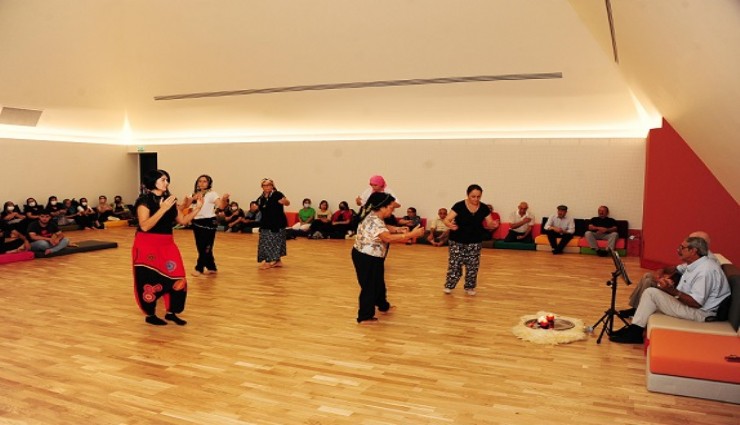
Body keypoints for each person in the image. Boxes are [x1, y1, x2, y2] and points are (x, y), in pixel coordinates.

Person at [610, 236, 730, 344]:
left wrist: (671, 291)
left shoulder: (705, 271)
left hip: (701, 313)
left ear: (693, 251)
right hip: (693, 306)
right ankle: (634, 329)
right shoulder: (696, 264)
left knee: (651, 293)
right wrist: (668, 282)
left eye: (682, 248)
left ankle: (635, 332)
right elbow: (675, 271)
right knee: (652, 292)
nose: (678, 250)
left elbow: (696, 303)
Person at [133, 169, 202, 326]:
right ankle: (150, 314)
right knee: (149, 279)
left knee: (178, 277)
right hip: (147, 244)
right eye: (163, 180)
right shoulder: (144, 201)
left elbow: (183, 220)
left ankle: (171, 312)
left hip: (167, 243)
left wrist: (197, 208)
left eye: (167, 179)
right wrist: (162, 209)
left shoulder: (169, 200)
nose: (167, 183)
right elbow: (145, 226)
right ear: (153, 182)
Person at [352, 192, 425, 323]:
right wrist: (411, 234)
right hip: (366, 257)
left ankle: (383, 305)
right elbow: (387, 238)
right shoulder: (374, 220)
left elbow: (384, 227)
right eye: (391, 207)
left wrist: (397, 229)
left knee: (378, 282)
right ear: (382, 207)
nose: (393, 210)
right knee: (369, 286)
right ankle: (365, 317)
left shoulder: (375, 216)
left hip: (373, 256)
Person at [619, 231, 719, 318]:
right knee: (648, 275)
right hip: (680, 288)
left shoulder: (708, 263)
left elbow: (697, 299)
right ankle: (635, 308)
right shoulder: (698, 258)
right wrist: (661, 271)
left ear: (697, 246)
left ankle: (637, 311)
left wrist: (670, 288)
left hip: (687, 299)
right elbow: (677, 268)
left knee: (649, 282)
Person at [442, 184, 499, 295]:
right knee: (455, 264)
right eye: (473, 196)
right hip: (457, 240)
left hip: (475, 241)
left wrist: (493, 225)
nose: (476, 199)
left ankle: (470, 287)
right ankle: (449, 285)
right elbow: (447, 219)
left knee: (472, 265)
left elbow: (489, 223)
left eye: (478, 196)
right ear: (467, 195)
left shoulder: (484, 208)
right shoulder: (459, 206)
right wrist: (450, 225)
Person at [190, 174, 229, 277]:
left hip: (208, 222)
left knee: (206, 246)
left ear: (209, 183)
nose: (202, 183)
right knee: (200, 246)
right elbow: (189, 206)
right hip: (196, 222)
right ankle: (211, 267)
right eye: (200, 181)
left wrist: (224, 199)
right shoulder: (194, 194)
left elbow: (221, 206)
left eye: (204, 181)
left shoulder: (212, 194)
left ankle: (199, 268)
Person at [255, 178, 290, 269]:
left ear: (272, 186)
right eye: (265, 185)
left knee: (273, 243)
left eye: (269, 185)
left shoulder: (277, 194)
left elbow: (287, 202)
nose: (267, 187)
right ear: (262, 187)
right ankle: (277, 261)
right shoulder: (262, 197)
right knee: (266, 242)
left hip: (277, 223)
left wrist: (285, 202)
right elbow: (257, 206)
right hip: (266, 223)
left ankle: (268, 262)